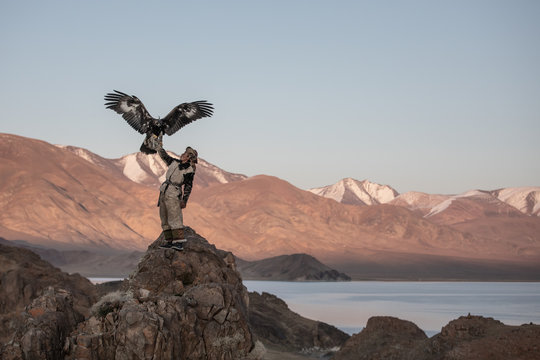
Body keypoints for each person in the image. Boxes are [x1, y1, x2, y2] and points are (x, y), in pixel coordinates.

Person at [155, 141, 198, 251]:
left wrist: (184, 200)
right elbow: (164, 156)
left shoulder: (189, 170)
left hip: (174, 194)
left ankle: (178, 242)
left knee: (175, 217)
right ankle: (169, 241)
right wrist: (159, 146)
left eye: (185, 153)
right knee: (164, 217)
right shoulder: (174, 162)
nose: (182, 154)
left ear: (188, 157)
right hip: (164, 192)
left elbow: (188, 186)